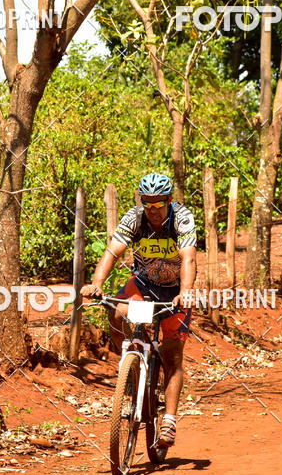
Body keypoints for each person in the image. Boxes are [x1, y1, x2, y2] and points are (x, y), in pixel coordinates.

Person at [80, 172, 197, 446]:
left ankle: (168, 419)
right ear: (142, 201)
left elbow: (189, 258)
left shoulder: (182, 218)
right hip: (143, 286)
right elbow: (113, 252)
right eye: (148, 204)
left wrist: (186, 292)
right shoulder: (134, 217)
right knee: (117, 311)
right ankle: (132, 366)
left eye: (159, 204)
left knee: (172, 357)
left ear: (169, 200)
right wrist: (96, 284)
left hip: (175, 291)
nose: (154, 211)